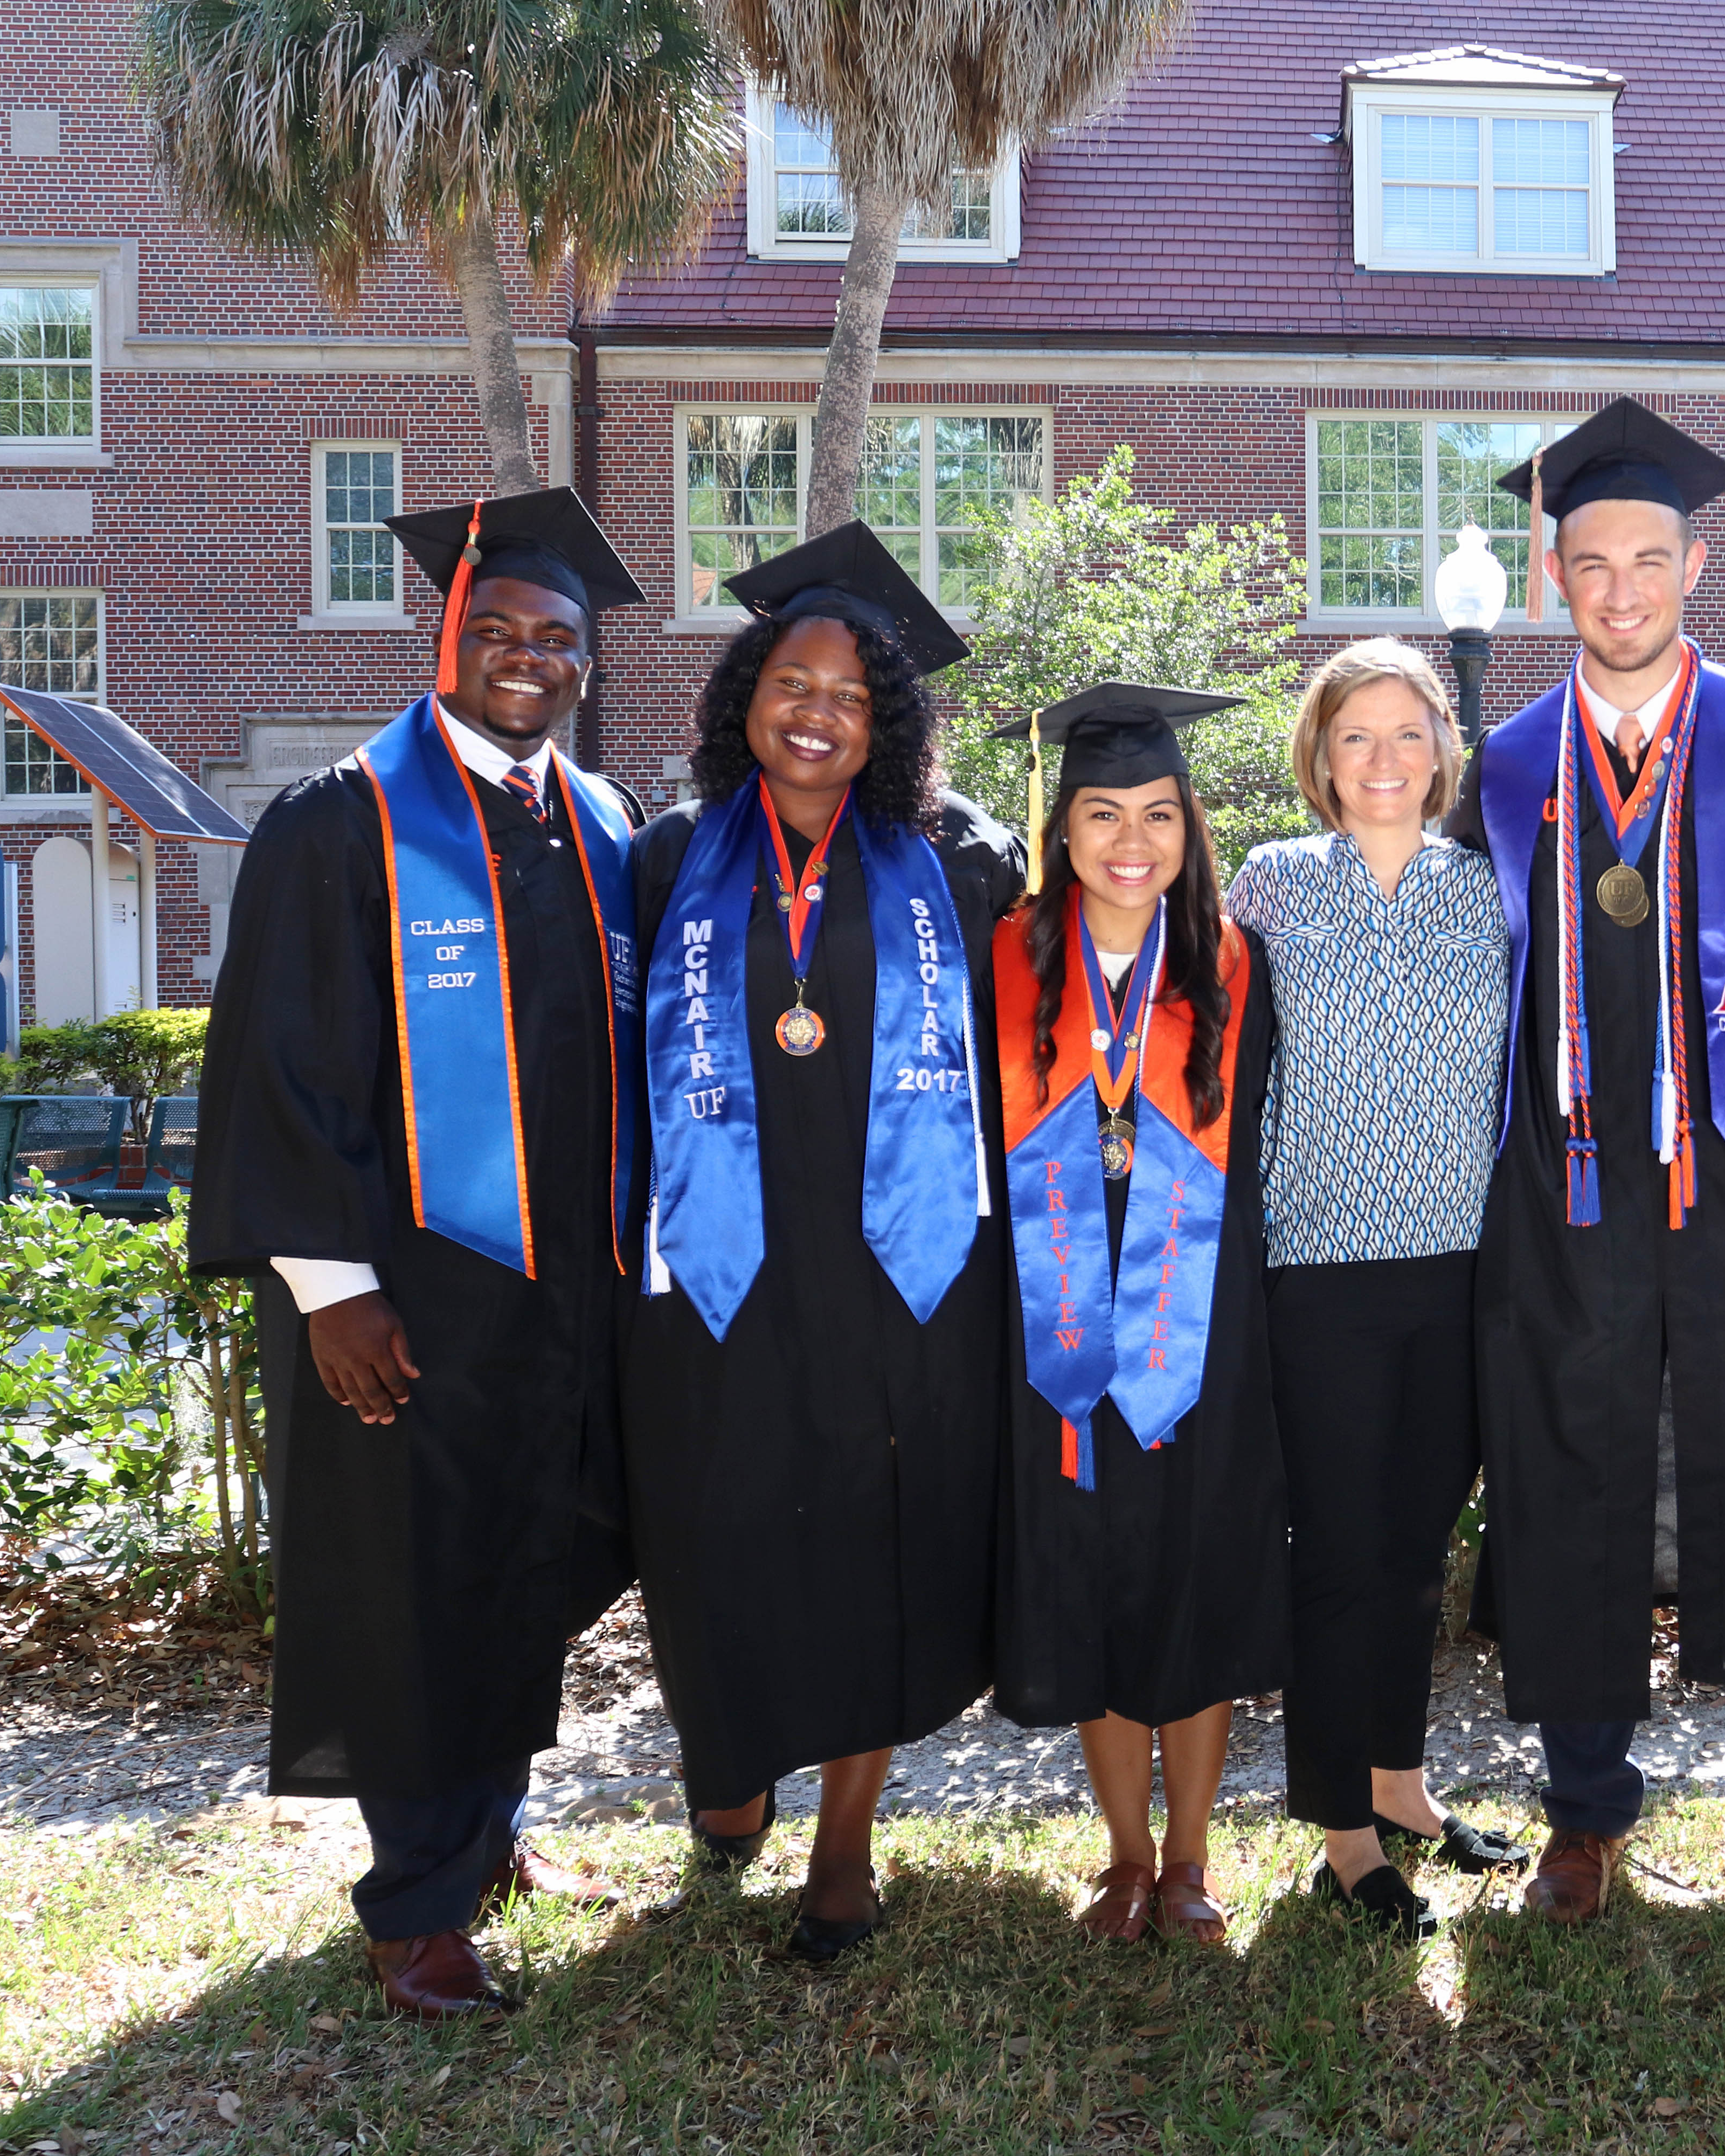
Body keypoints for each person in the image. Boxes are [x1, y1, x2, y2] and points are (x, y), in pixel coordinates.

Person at [191, 487, 646, 2019]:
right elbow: (273, 1068)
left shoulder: (597, 824)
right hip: (402, 1297)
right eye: (499, 630)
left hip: (560, 1295)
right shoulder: (340, 821)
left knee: (517, 1567)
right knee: (412, 1583)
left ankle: (486, 1832)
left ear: (586, 665)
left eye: (556, 640)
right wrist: (332, 1289)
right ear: (447, 636)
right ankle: (414, 1906)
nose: (528, 657)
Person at [1445, 398, 1725, 1922]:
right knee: (1569, 1469)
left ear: (1697, 566)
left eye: (1649, 559)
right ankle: (1584, 1809)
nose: (1619, 589)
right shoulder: (1502, 767)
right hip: (1566, 1188)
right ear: (1551, 579)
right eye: (1590, 562)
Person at [624, 524, 1028, 1962]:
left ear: (891, 720)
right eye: (792, 680)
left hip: (899, 1274)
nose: (818, 711)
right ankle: (730, 1756)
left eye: (854, 695)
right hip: (717, 1272)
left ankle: (846, 1840)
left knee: (878, 1540)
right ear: (745, 692)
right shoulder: (668, 856)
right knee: (717, 1520)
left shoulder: (962, 861)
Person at [1224, 641, 1526, 1941]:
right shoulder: (1270, 888)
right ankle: (1343, 1835)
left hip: (1464, 1268)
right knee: (1342, 1553)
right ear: (1320, 755)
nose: (1385, 760)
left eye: (1410, 734)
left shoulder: (1490, 890)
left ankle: (1400, 1786)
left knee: (1412, 1553)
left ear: (1443, 752)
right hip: (1320, 1269)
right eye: (1358, 736)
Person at [988, 682, 1287, 1946]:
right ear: (1060, 828)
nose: (1130, 839)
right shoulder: (1005, 957)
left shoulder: (1233, 965)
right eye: (1102, 811)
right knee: (1091, 1572)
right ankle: (1121, 1854)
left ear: (1190, 825)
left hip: (1201, 1309)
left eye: (1158, 813)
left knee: (1195, 1570)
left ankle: (1193, 1857)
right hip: (1050, 1314)